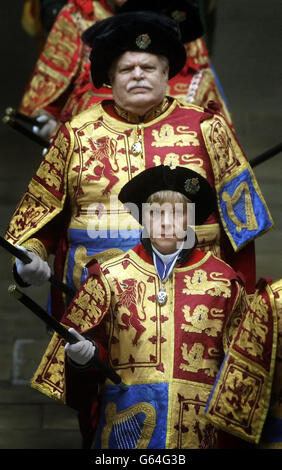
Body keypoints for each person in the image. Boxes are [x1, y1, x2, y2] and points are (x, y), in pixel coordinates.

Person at [6, 11, 272, 326]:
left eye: (147, 67)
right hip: (95, 316)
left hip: (196, 316)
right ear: (110, 77)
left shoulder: (208, 128)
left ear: (166, 73)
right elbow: (39, 220)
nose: (137, 75)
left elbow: (242, 228)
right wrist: (29, 260)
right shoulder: (75, 134)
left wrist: (242, 309)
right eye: (126, 69)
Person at [30, 165, 278, 449]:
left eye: (176, 213)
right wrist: (81, 360)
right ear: (142, 218)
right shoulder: (109, 277)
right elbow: (77, 390)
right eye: (156, 213)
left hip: (200, 437)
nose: (165, 222)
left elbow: (243, 374)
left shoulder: (224, 282)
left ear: (190, 220)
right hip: (124, 434)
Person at [18, 0, 232, 143]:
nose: (137, 73)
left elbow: (198, 69)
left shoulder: (173, 12)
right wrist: (47, 123)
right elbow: (46, 94)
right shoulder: (78, 14)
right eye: (128, 66)